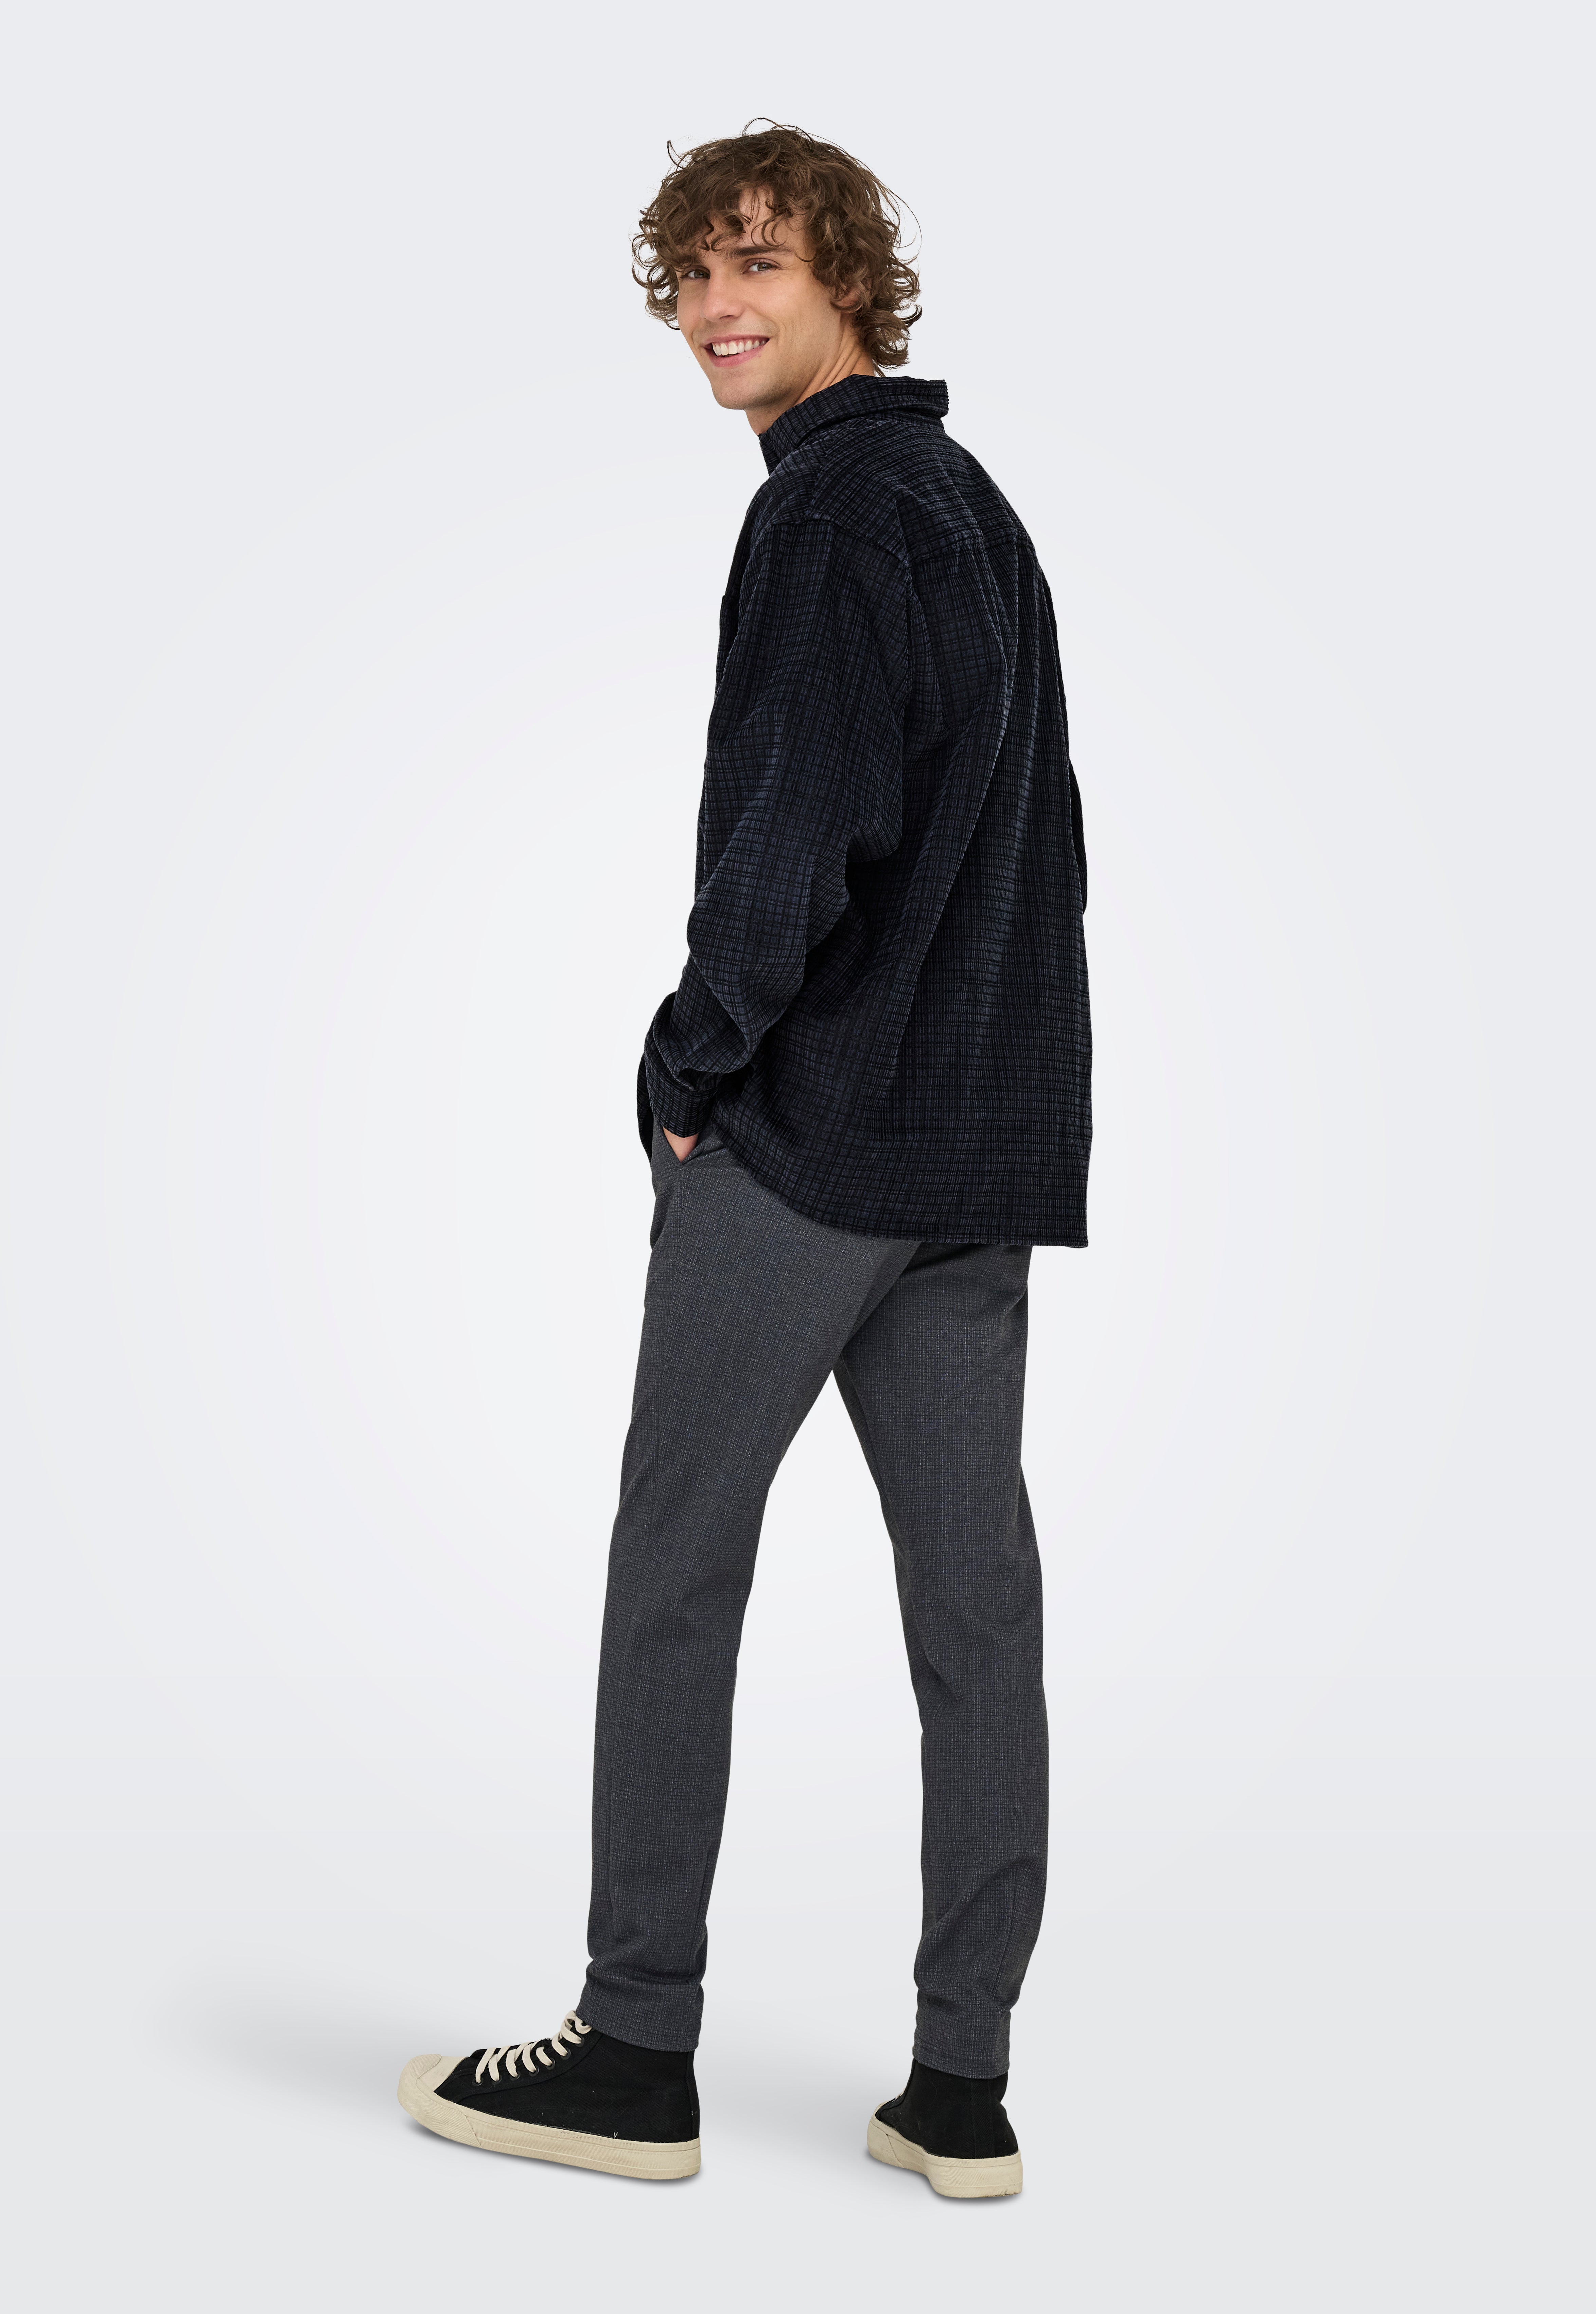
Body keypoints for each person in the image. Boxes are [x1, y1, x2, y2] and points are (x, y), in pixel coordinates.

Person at [398, 123, 1090, 2200]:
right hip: (970, 1146)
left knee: (675, 1565)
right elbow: (1042, 849)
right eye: (690, 275)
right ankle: (959, 2089)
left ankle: (633, 2048)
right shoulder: (967, 501)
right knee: (973, 1610)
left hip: (810, 1143)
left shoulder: (833, 509)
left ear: (848, 276)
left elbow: (800, 834)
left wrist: (690, 1062)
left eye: (756, 263)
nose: (713, 308)